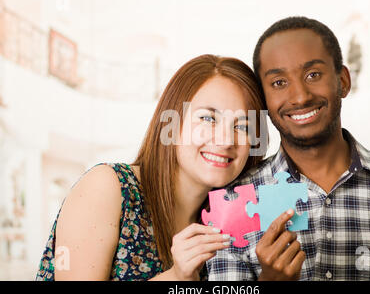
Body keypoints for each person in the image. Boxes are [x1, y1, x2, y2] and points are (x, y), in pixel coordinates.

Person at [207, 16, 370, 281]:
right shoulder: (233, 200)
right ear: (262, 99)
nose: (300, 96)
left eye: (313, 75)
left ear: (343, 81)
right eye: (279, 82)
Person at [35, 54, 268, 281]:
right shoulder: (107, 187)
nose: (226, 140)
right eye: (208, 119)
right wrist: (176, 276)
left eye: (243, 126)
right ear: (171, 123)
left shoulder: (232, 222)